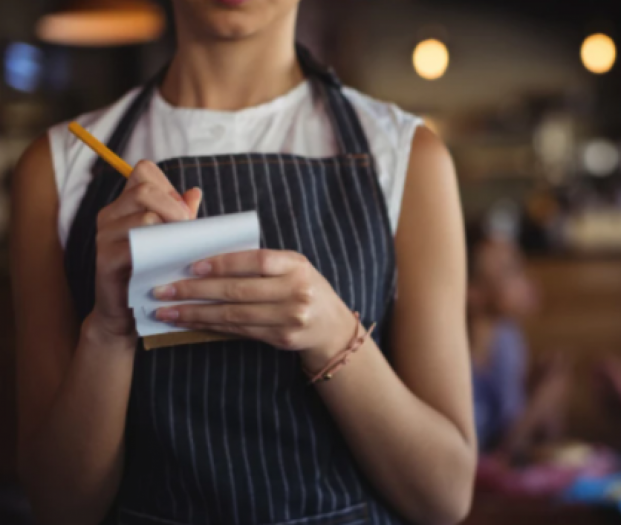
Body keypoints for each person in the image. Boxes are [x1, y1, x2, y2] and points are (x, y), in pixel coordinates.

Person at [11, 1, 476, 524]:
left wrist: (330, 331)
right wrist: (109, 330)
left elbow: (446, 495)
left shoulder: (408, 157)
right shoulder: (56, 169)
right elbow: (59, 507)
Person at [466, 226, 569, 456]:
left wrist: (544, 398)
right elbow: (500, 455)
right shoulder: (450, 355)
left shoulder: (508, 341)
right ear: (471, 291)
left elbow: (533, 444)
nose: (527, 281)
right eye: (509, 271)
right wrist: (537, 406)